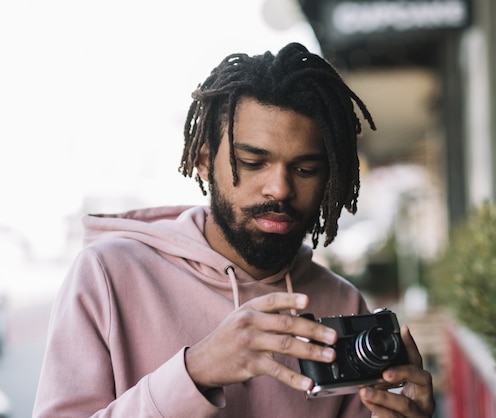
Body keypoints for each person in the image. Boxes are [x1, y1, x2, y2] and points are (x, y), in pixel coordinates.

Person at [33, 42, 435, 418]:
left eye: (305, 169)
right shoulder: (108, 275)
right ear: (205, 162)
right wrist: (195, 372)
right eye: (254, 162)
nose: (279, 188)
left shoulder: (341, 303)